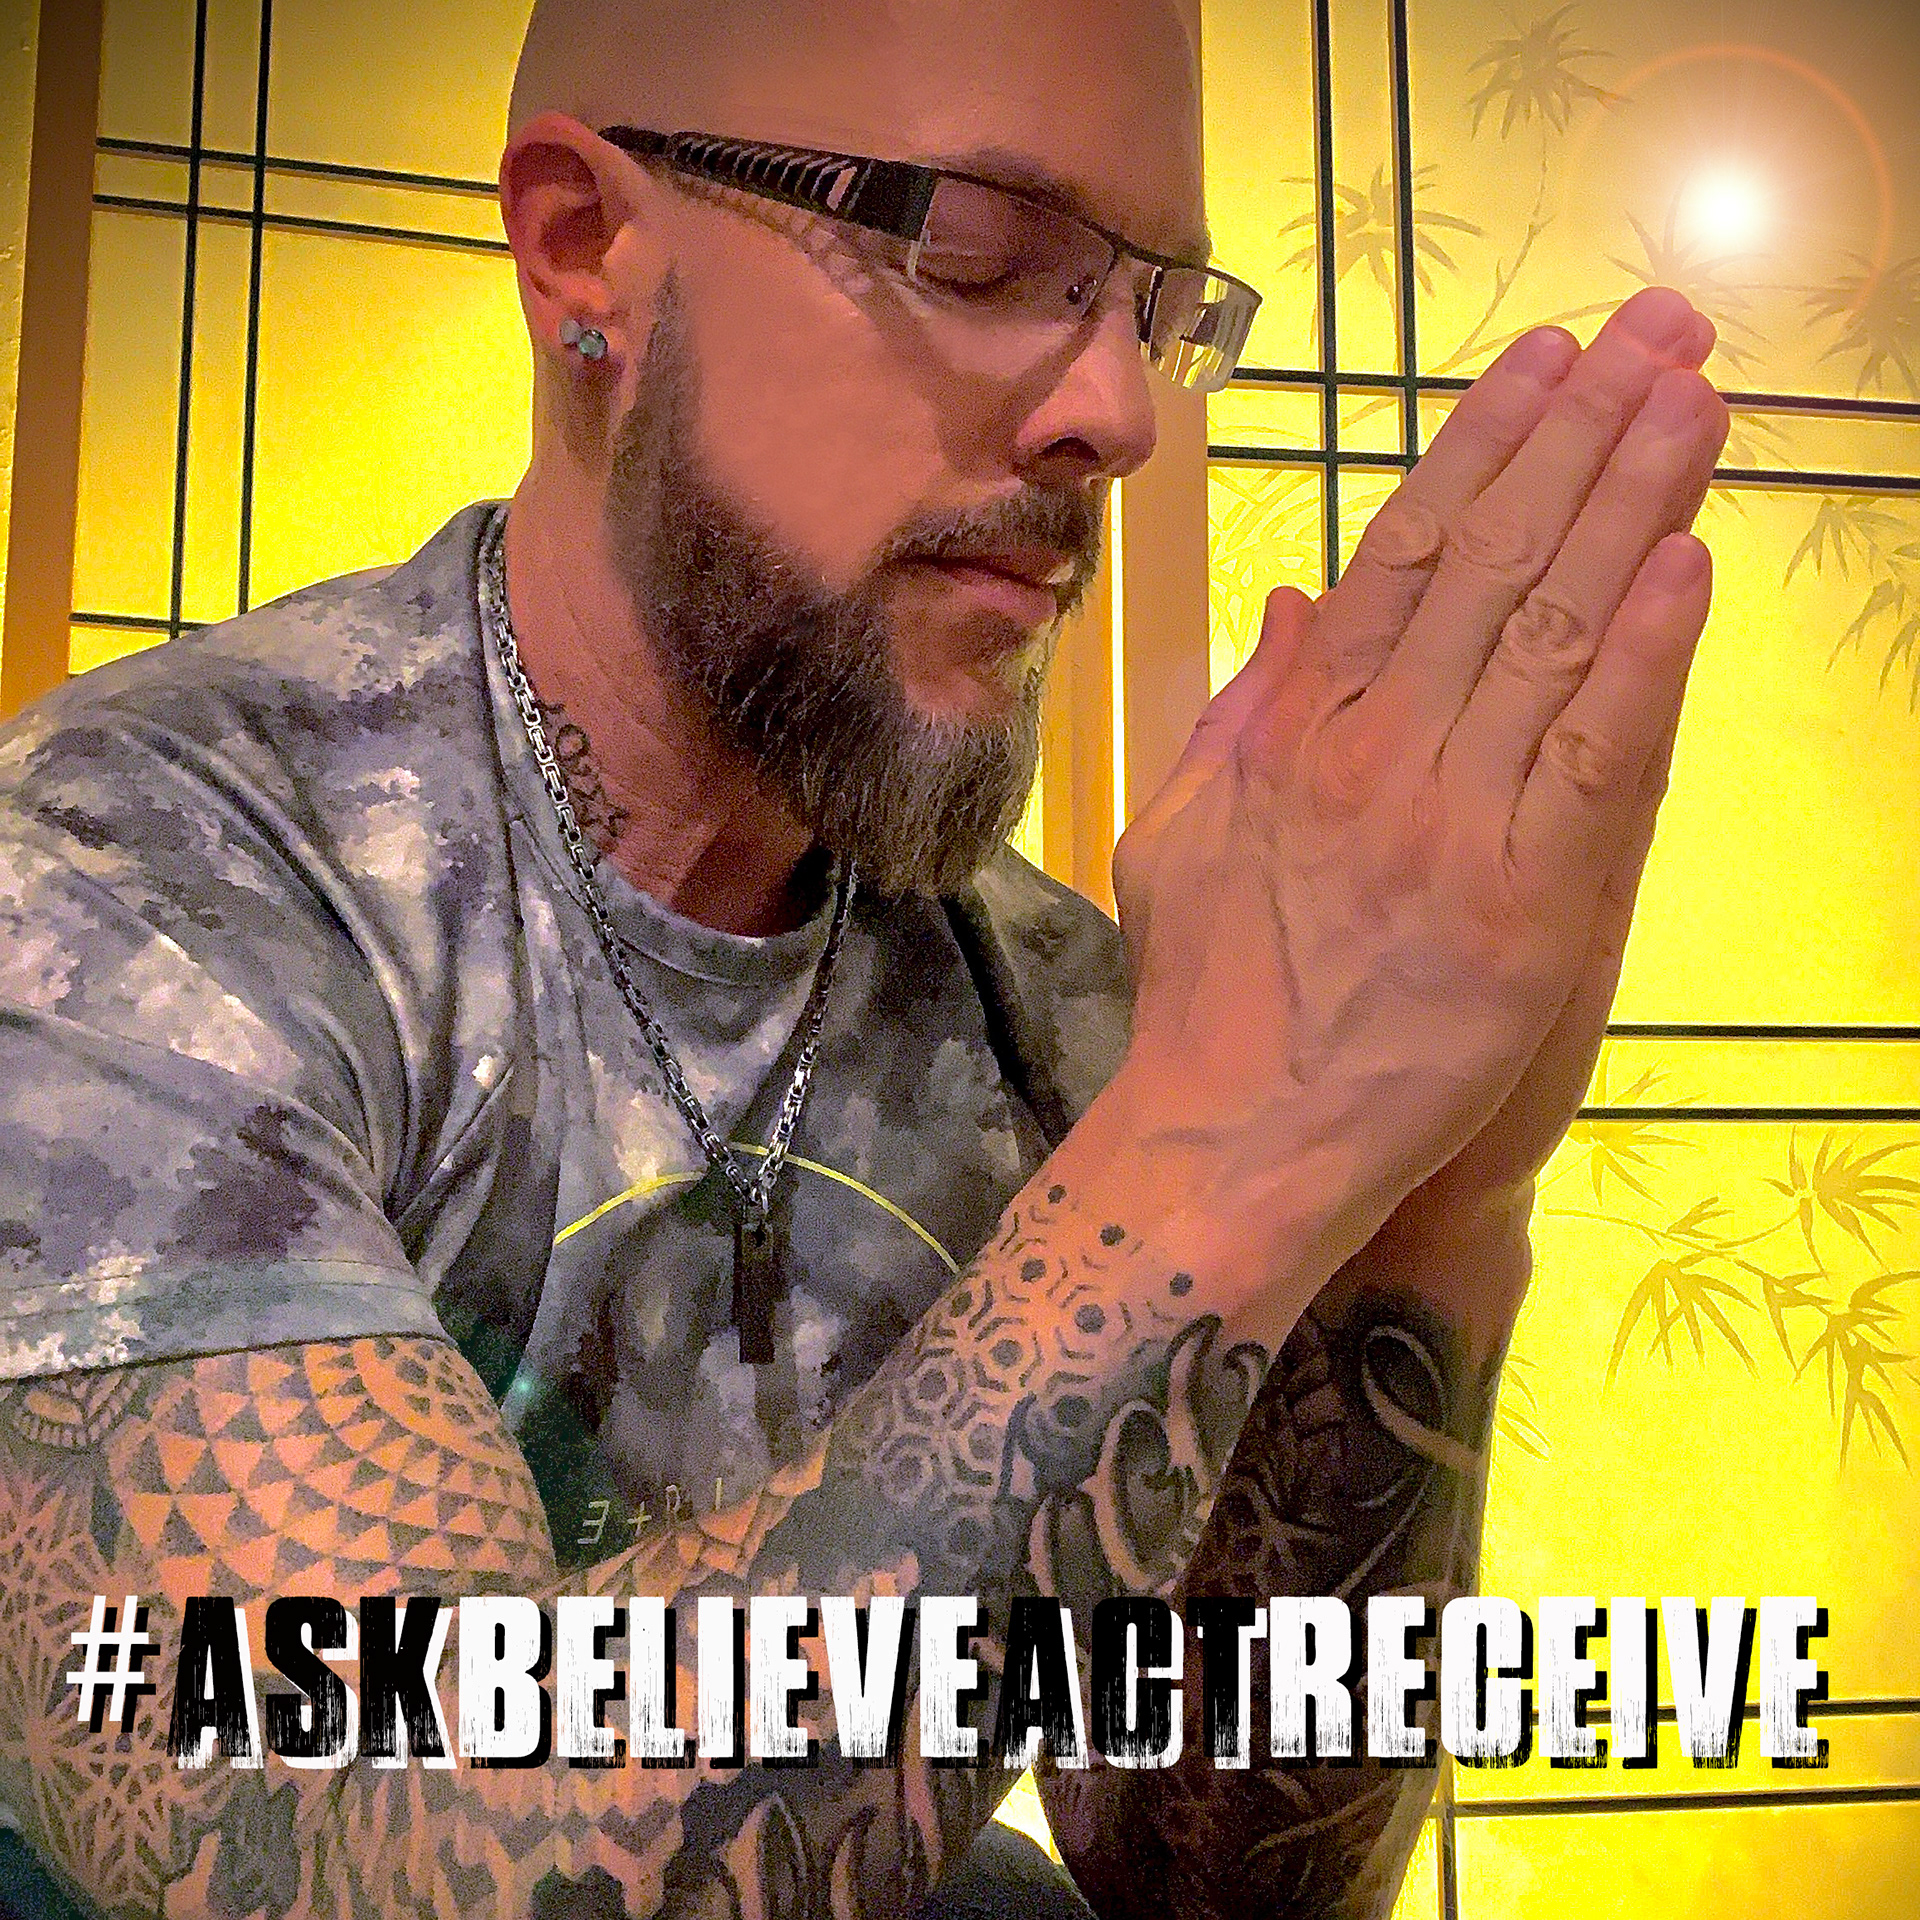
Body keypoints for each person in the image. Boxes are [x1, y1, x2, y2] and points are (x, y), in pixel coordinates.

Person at [0, 0, 1730, 1914]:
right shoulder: (126, 884)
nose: (1122, 415)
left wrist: (1434, 1202)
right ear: (585, 248)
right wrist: (1232, 1138)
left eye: (1157, 308)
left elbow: (1213, 1880)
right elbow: (363, 1848)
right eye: (975, 252)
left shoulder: (1034, 990)